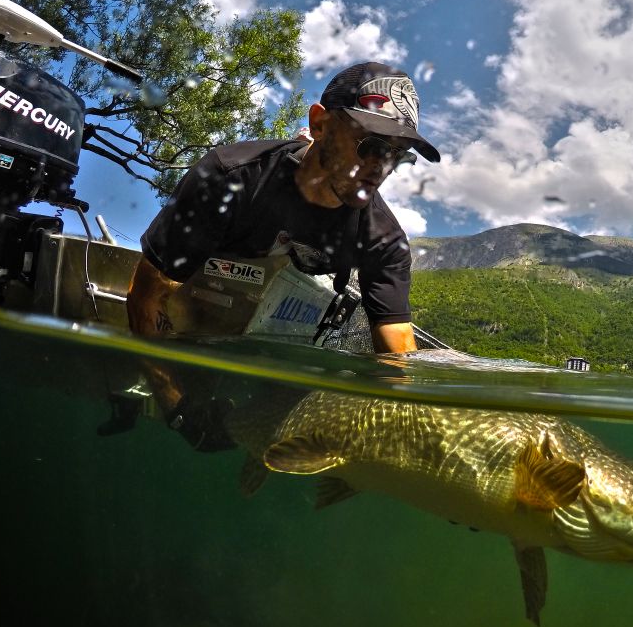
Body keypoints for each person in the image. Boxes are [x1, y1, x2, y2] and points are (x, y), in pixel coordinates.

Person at [125, 62, 440, 450]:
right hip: (191, 314)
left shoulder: (384, 241)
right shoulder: (231, 177)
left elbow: (399, 359)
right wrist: (177, 408)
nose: (381, 168)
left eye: (398, 155)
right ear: (320, 124)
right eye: (371, 146)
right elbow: (146, 295)